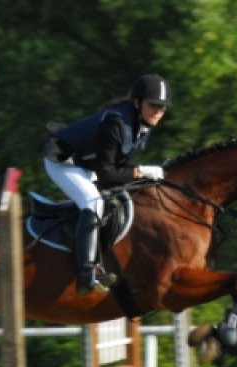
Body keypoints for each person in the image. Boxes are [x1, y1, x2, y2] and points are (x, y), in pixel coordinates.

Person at [43, 73, 172, 295]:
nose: (158, 111)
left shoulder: (140, 125)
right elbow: (108, 175)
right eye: (153, 105)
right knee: (93, 203)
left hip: (87, 164)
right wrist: (141, 171)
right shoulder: (117, 123)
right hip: (63, 161)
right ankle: (86, 274)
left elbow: (123, 163)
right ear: (137, 102)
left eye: (162, 107)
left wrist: (140, 175)